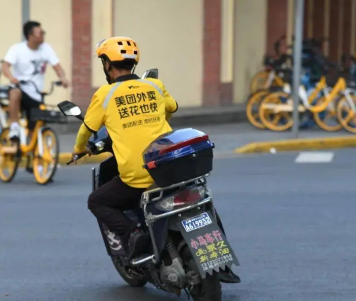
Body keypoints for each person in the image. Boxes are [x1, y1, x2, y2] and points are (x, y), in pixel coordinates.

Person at [71, 37, 240, 283]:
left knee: (97, 201)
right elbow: (171, 107)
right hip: (172, 167)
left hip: (139, 176)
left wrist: (78, 150)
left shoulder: (105, 94)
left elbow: (87, 128)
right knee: (202, 200)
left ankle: (135, 234)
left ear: (107, 64)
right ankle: (220, 259)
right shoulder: (154, 85)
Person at [2, 20, 70, 141]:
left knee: (34, 130)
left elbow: (57, 67)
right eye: (40, 33)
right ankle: (14, 127)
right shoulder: (17, 49)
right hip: (22, 89)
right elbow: (5, 66)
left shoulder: (46, 48)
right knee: (14, 93)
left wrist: (63, 78)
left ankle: (34, 153)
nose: (43, 34)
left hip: (36, 94)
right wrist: (12, 78)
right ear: (30, 35)